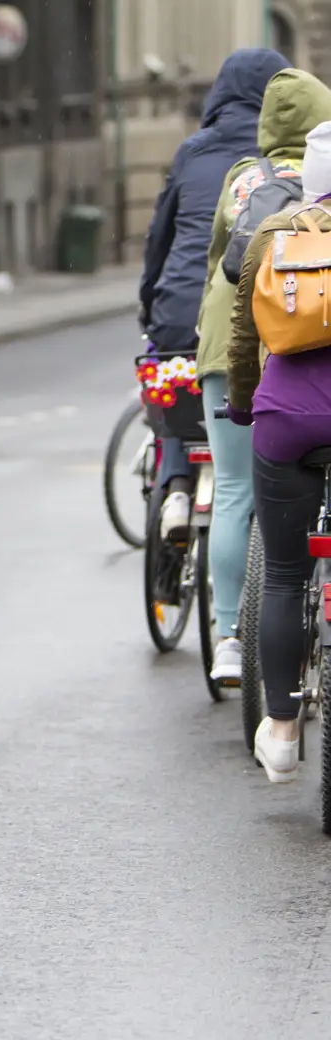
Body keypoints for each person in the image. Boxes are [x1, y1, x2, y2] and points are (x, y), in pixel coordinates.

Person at [196, 65, 331, 683]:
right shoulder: (321, 181)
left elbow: (222, 262)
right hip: (305, 358)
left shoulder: (244, 180)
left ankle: (228, 635)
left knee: (231, 489)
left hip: (236, 347)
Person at [140, 48, 288, 547]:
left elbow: (158, 241)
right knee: (240, 470)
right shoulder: (279, 161)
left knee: (174, 390)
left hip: (179, 312)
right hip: (255, 318)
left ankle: (177, 485)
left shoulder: (193, 151)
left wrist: (150, 308)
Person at [227, 120, 331, 785]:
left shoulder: (276, 232)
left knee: (287, 575)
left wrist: (243, 406)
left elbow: (242, 337)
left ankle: (284, 730)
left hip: (287, 423)